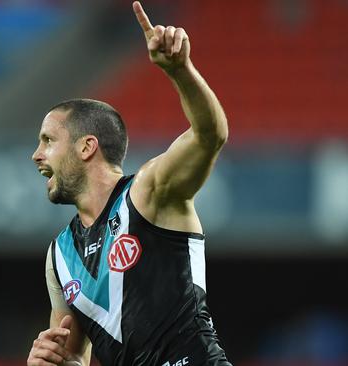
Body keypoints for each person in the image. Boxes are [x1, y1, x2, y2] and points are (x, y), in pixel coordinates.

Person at [27, 2, 232, 366]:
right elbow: (72, 358)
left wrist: (180, 71)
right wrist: (50, 362)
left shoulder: (149, 192)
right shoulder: (59, 257)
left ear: (87, 147)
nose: (36, 155)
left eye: (47, 141)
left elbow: (209, 136)